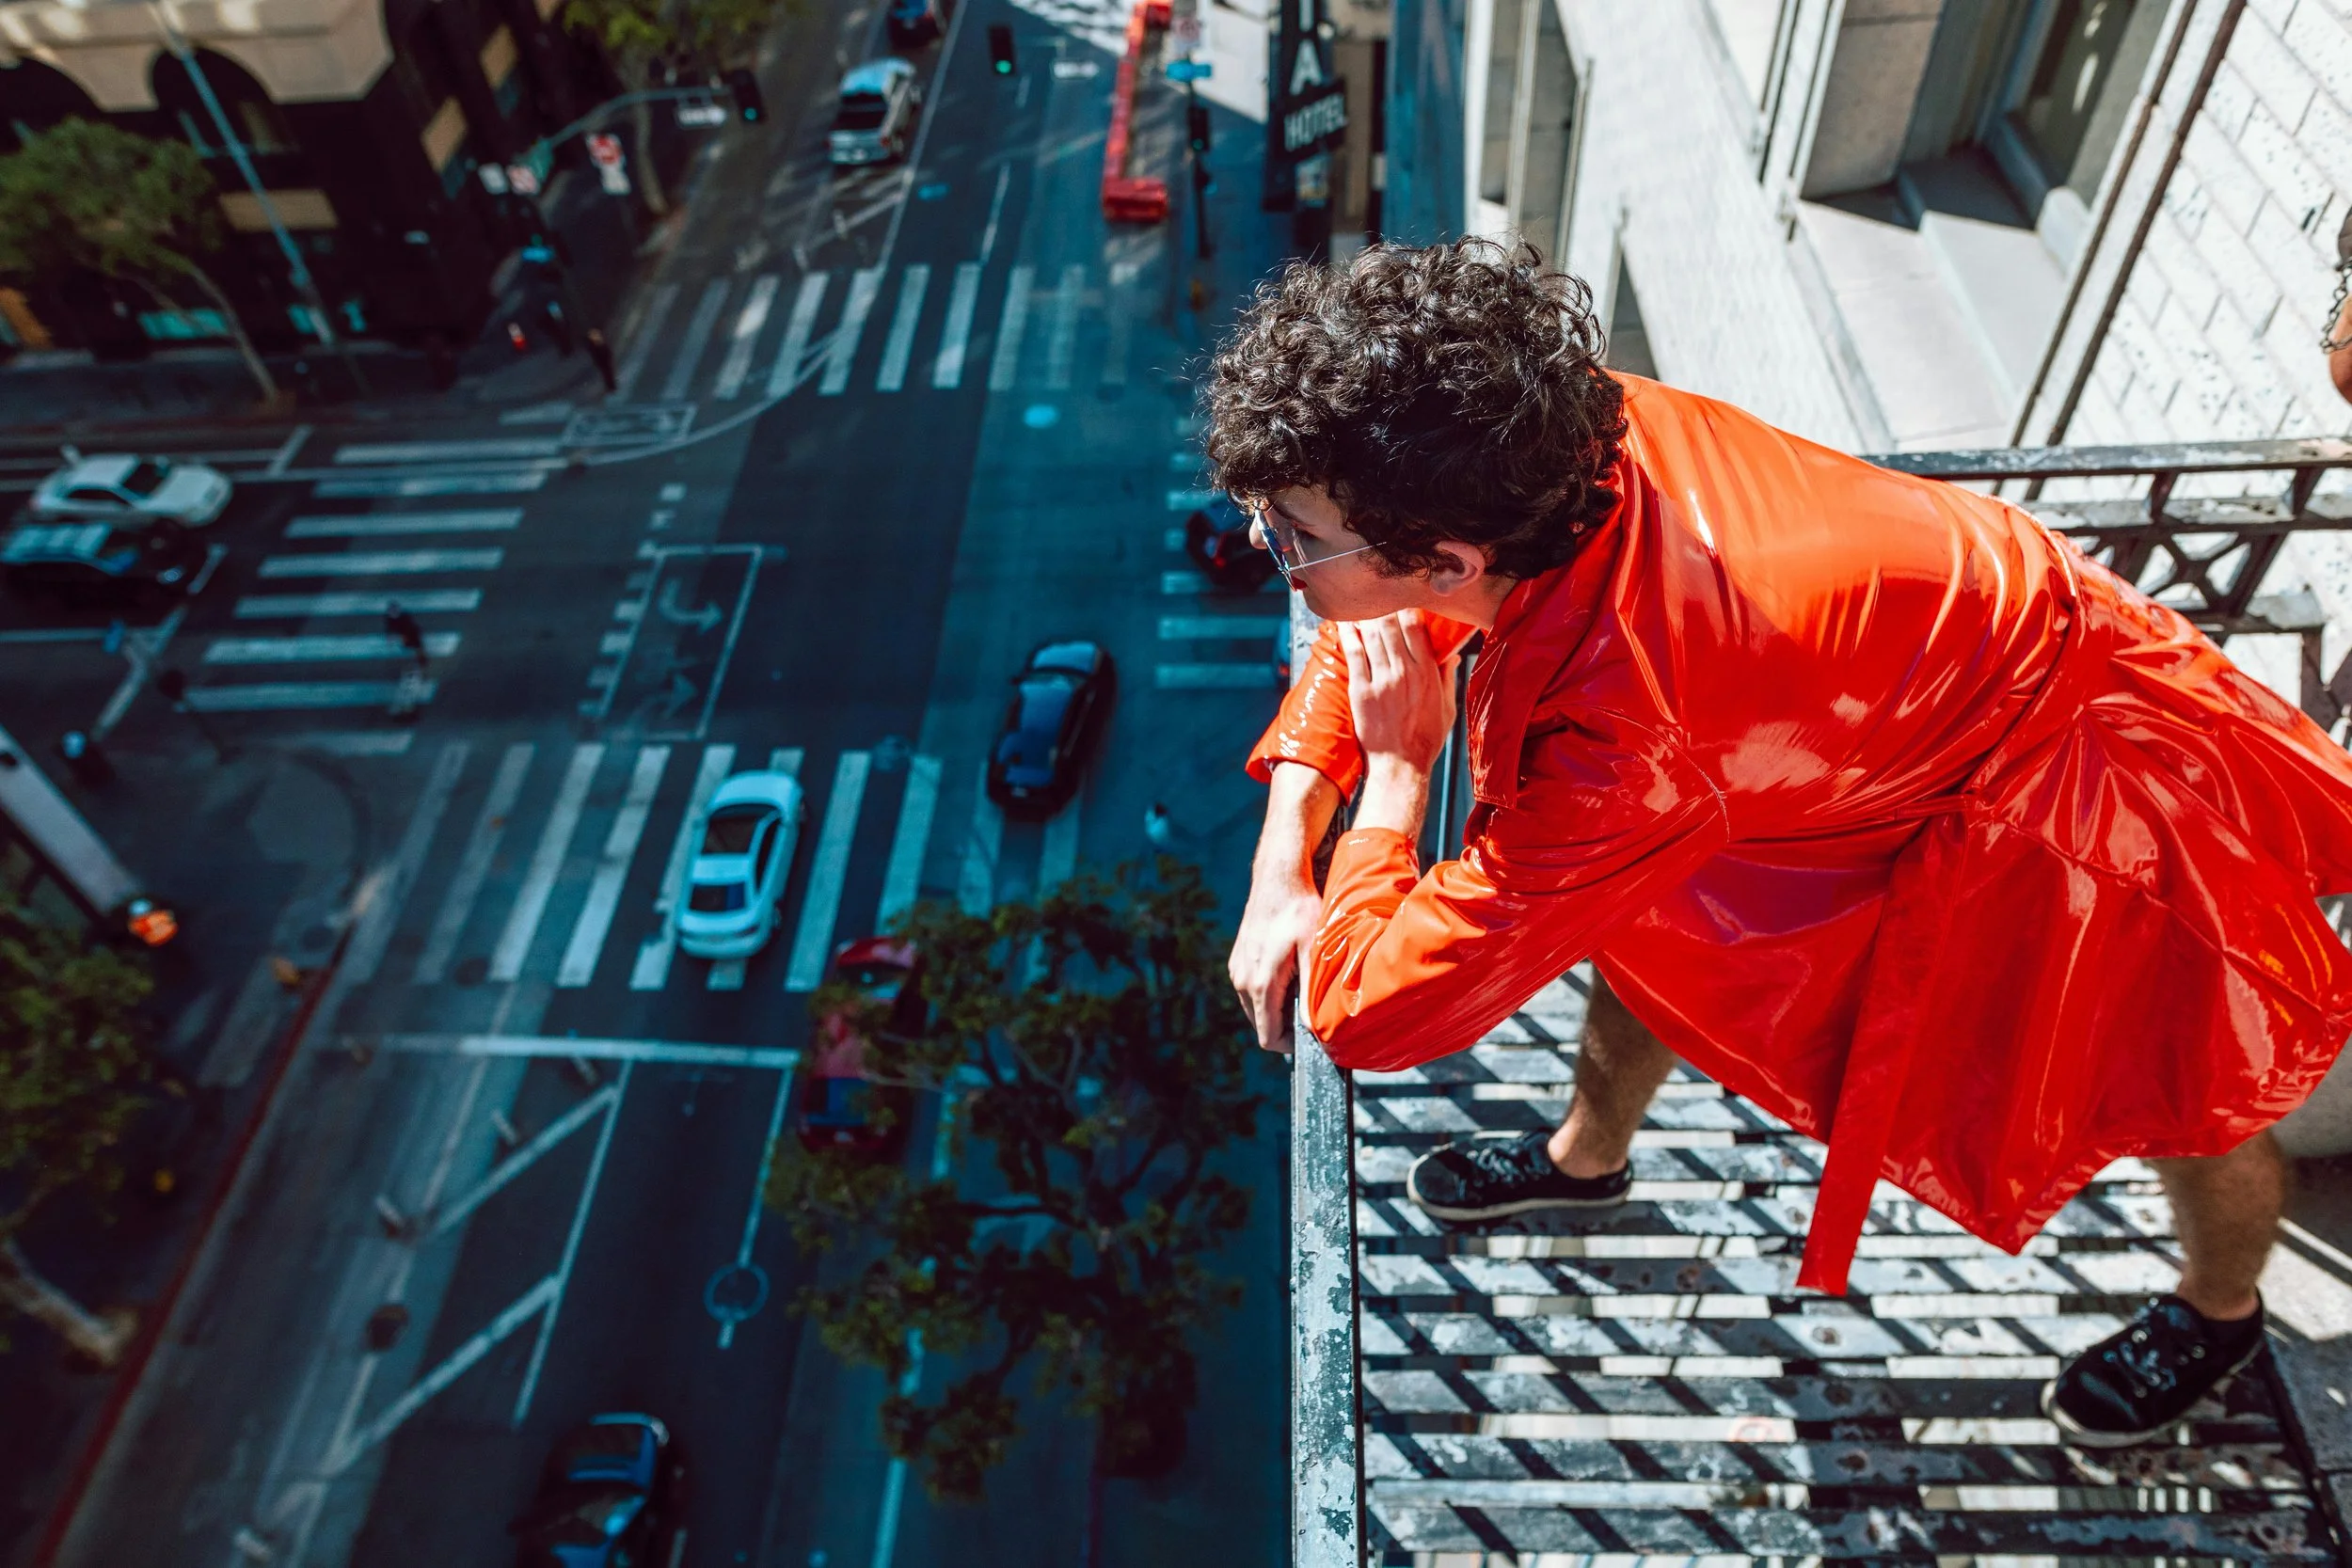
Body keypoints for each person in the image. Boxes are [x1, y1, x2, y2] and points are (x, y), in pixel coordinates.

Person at [1215, 239, 2352, 1450]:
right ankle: (1584, 1157)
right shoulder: (1547, 428)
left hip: (2070, 804)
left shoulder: (1629, 740)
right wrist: (1287, 847)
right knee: (1654, 929)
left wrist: (1394, 774)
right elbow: (1395, 605)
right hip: (1843, 745)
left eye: (1287, 536)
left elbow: (1372, 1012)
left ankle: (2220, 1308)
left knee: (2197, 1085)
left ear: (1452, 556)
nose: (1262, 546)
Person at [584, 326, 618, 394]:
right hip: (602, 362)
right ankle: (611, 386)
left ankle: (612, 386)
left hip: (604, 361)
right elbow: (596, 354)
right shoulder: (595, 345)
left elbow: (606, 351)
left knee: (608, 374)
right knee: (607, 374)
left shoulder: (599, 344)